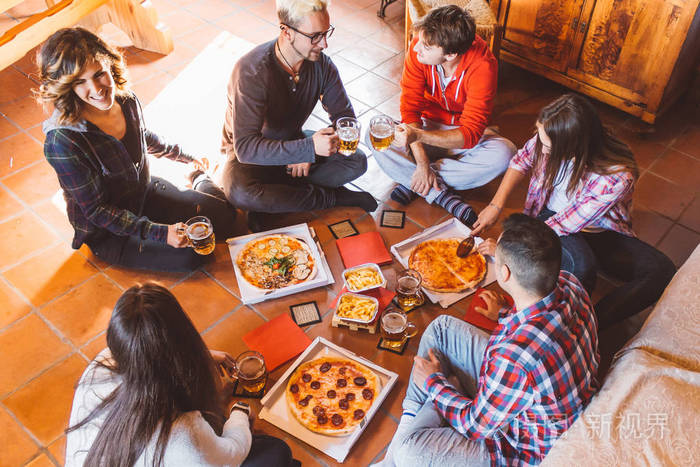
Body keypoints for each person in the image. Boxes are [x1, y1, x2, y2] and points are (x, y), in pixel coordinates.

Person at [377, 214, 599, 466]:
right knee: (441, 328)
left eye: (497, 252)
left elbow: (475, 426)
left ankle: (397, 451)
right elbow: (539, 330)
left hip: (521, 447)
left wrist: (433, 383)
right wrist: (503, 314)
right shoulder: (571, 283)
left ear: (503, 273)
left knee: (408, 452)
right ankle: (418, 413)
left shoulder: (513, 358)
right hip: (534, 397)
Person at [38, 28, 238, 272]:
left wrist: (186, 157)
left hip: (143, 193)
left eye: (99, 74)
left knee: (227, 218)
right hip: (110, 231)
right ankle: (198, 189)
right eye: (81, 82)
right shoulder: (63, 141)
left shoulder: (125, 99)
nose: (97, 89)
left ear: (110, 65)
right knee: (193, 256)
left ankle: (197, 178)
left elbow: (143, 137)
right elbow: (96, 211)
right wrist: (161, 233)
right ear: (67, 87)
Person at [471, 93, 676, 330]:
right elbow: (522, 160)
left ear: (572, 148)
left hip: (598, 230)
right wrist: (495, 205)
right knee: (583, 267)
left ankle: (588, 325)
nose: (540, 147)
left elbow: (564, 225)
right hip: (549, 214)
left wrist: (508, 250)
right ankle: (557, 311)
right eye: (539, 137)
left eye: (547, 146)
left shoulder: (616, 178)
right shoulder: (549, 135)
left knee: (662, 271)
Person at [65, 283, 299, 467]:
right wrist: (239, 413)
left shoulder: (101, 362)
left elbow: (145, 353)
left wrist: (201, 355)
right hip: (196, 451)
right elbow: (231, 455)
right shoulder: (182, 430)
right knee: (276, 452)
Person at [221, 0, 376, 231]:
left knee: (356, 161)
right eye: (315, 36)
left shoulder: (322, 65)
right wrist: (307, 149)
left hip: (295, 141)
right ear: (287, 32)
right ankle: (332, 198)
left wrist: (308, 148)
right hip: (250, 160)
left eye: (326, 33)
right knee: (239, 192)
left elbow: (346, 119)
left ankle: (281, 199)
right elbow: (245, 148)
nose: (324, 44)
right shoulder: (251, 72)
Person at [371, 5, 515, 226]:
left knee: (506, 153)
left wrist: (417, 138)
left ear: (450, 54)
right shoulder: (418, 48)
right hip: (424, 124)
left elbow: (469, 134)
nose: (416, 48)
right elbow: (410, 109)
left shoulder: (484, 66)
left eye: (426, 47)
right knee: (374, 135)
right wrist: (421, 164)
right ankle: (441, 194)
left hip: (458, 133)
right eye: (419, 39)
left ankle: (415, 182)